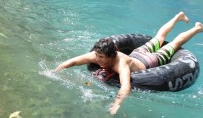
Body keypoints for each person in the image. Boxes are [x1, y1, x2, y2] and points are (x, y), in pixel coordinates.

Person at [54, 12, 203, 116]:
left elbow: (126, 86)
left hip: (150, 60)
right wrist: (57, 71)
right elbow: (73, 61)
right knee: (159, 36)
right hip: (138, 52)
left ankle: (197, 28)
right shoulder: (96, 54)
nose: (97, 60)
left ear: (111, 56)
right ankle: (178, 17)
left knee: (175, 43)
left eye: (101, 57)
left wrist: (116, 105)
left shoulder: (121, 64)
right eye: (97, 56)